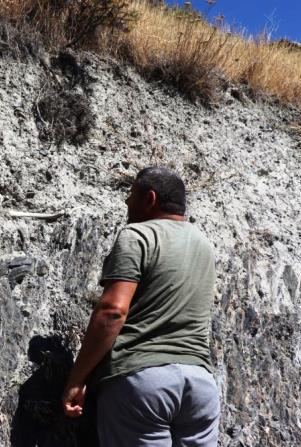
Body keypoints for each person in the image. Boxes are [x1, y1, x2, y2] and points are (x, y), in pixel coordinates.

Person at [61, 166, 220, 446]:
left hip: (144, 381)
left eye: (131, 194)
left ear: (150, 198)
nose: (126, 202)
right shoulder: (205, 246)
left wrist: (77, 378)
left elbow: (113, 312)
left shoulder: (137, 236)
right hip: (200, 386)